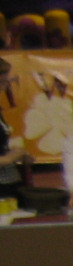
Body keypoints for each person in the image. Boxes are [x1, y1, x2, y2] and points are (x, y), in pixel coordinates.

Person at [0, 58, 25, 203]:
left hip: (9, 181)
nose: (4, 87)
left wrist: (15, 152)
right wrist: (8, 158)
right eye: (1, 82)